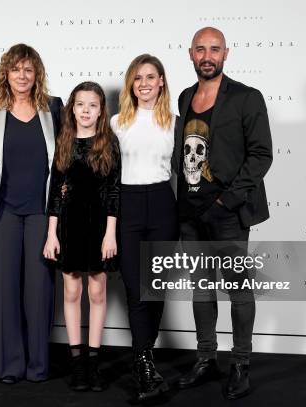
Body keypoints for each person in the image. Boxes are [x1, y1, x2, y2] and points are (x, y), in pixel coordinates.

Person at [174, 27, 273, 400]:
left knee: (237, 290)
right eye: (200, 49)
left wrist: (226, 202)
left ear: (226, 53)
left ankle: (241, 364)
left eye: (214, 49)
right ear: (190, 54)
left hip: (228, 213)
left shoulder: (247, 98)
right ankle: (205, 359)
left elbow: (261, 154)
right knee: (201, 289)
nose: (207, 55)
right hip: (190, 213)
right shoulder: (184, 97)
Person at [0, 44, 63, 384]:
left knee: (39, 290)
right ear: (6, 73)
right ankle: (10, 365)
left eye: (28, 70)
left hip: (42, 212)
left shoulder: (53, 109)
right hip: (2, 212)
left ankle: (38, 365)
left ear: (37, 74)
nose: (22, 76)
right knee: (4, 291)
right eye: (16, 69)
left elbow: (66, 159)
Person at [43, 81, 120, 392]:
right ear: (71, 108)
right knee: (72, 293)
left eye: (92, 105)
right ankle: (77, 362)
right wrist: (52, 234)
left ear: (101, 111)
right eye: (80, 104)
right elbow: (56, 193)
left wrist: (111, 234)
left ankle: (93, 362)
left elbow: (114, 191)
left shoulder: (109, 144)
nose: (86, 110)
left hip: (100, 228)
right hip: (69, 227)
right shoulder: (65, 142)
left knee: (97, 294)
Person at [110, 54, 178, 402]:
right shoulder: (117, 122)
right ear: (130, 84)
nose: (145, 83)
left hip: (164, 205)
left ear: (162, 81)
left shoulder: (175, 123)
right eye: (138, 78)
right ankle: (143, 363)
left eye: (151, 77)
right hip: (128, 206)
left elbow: (187, 174)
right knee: (136, 289)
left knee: (157, 288)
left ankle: (145, 360)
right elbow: (107, 177)